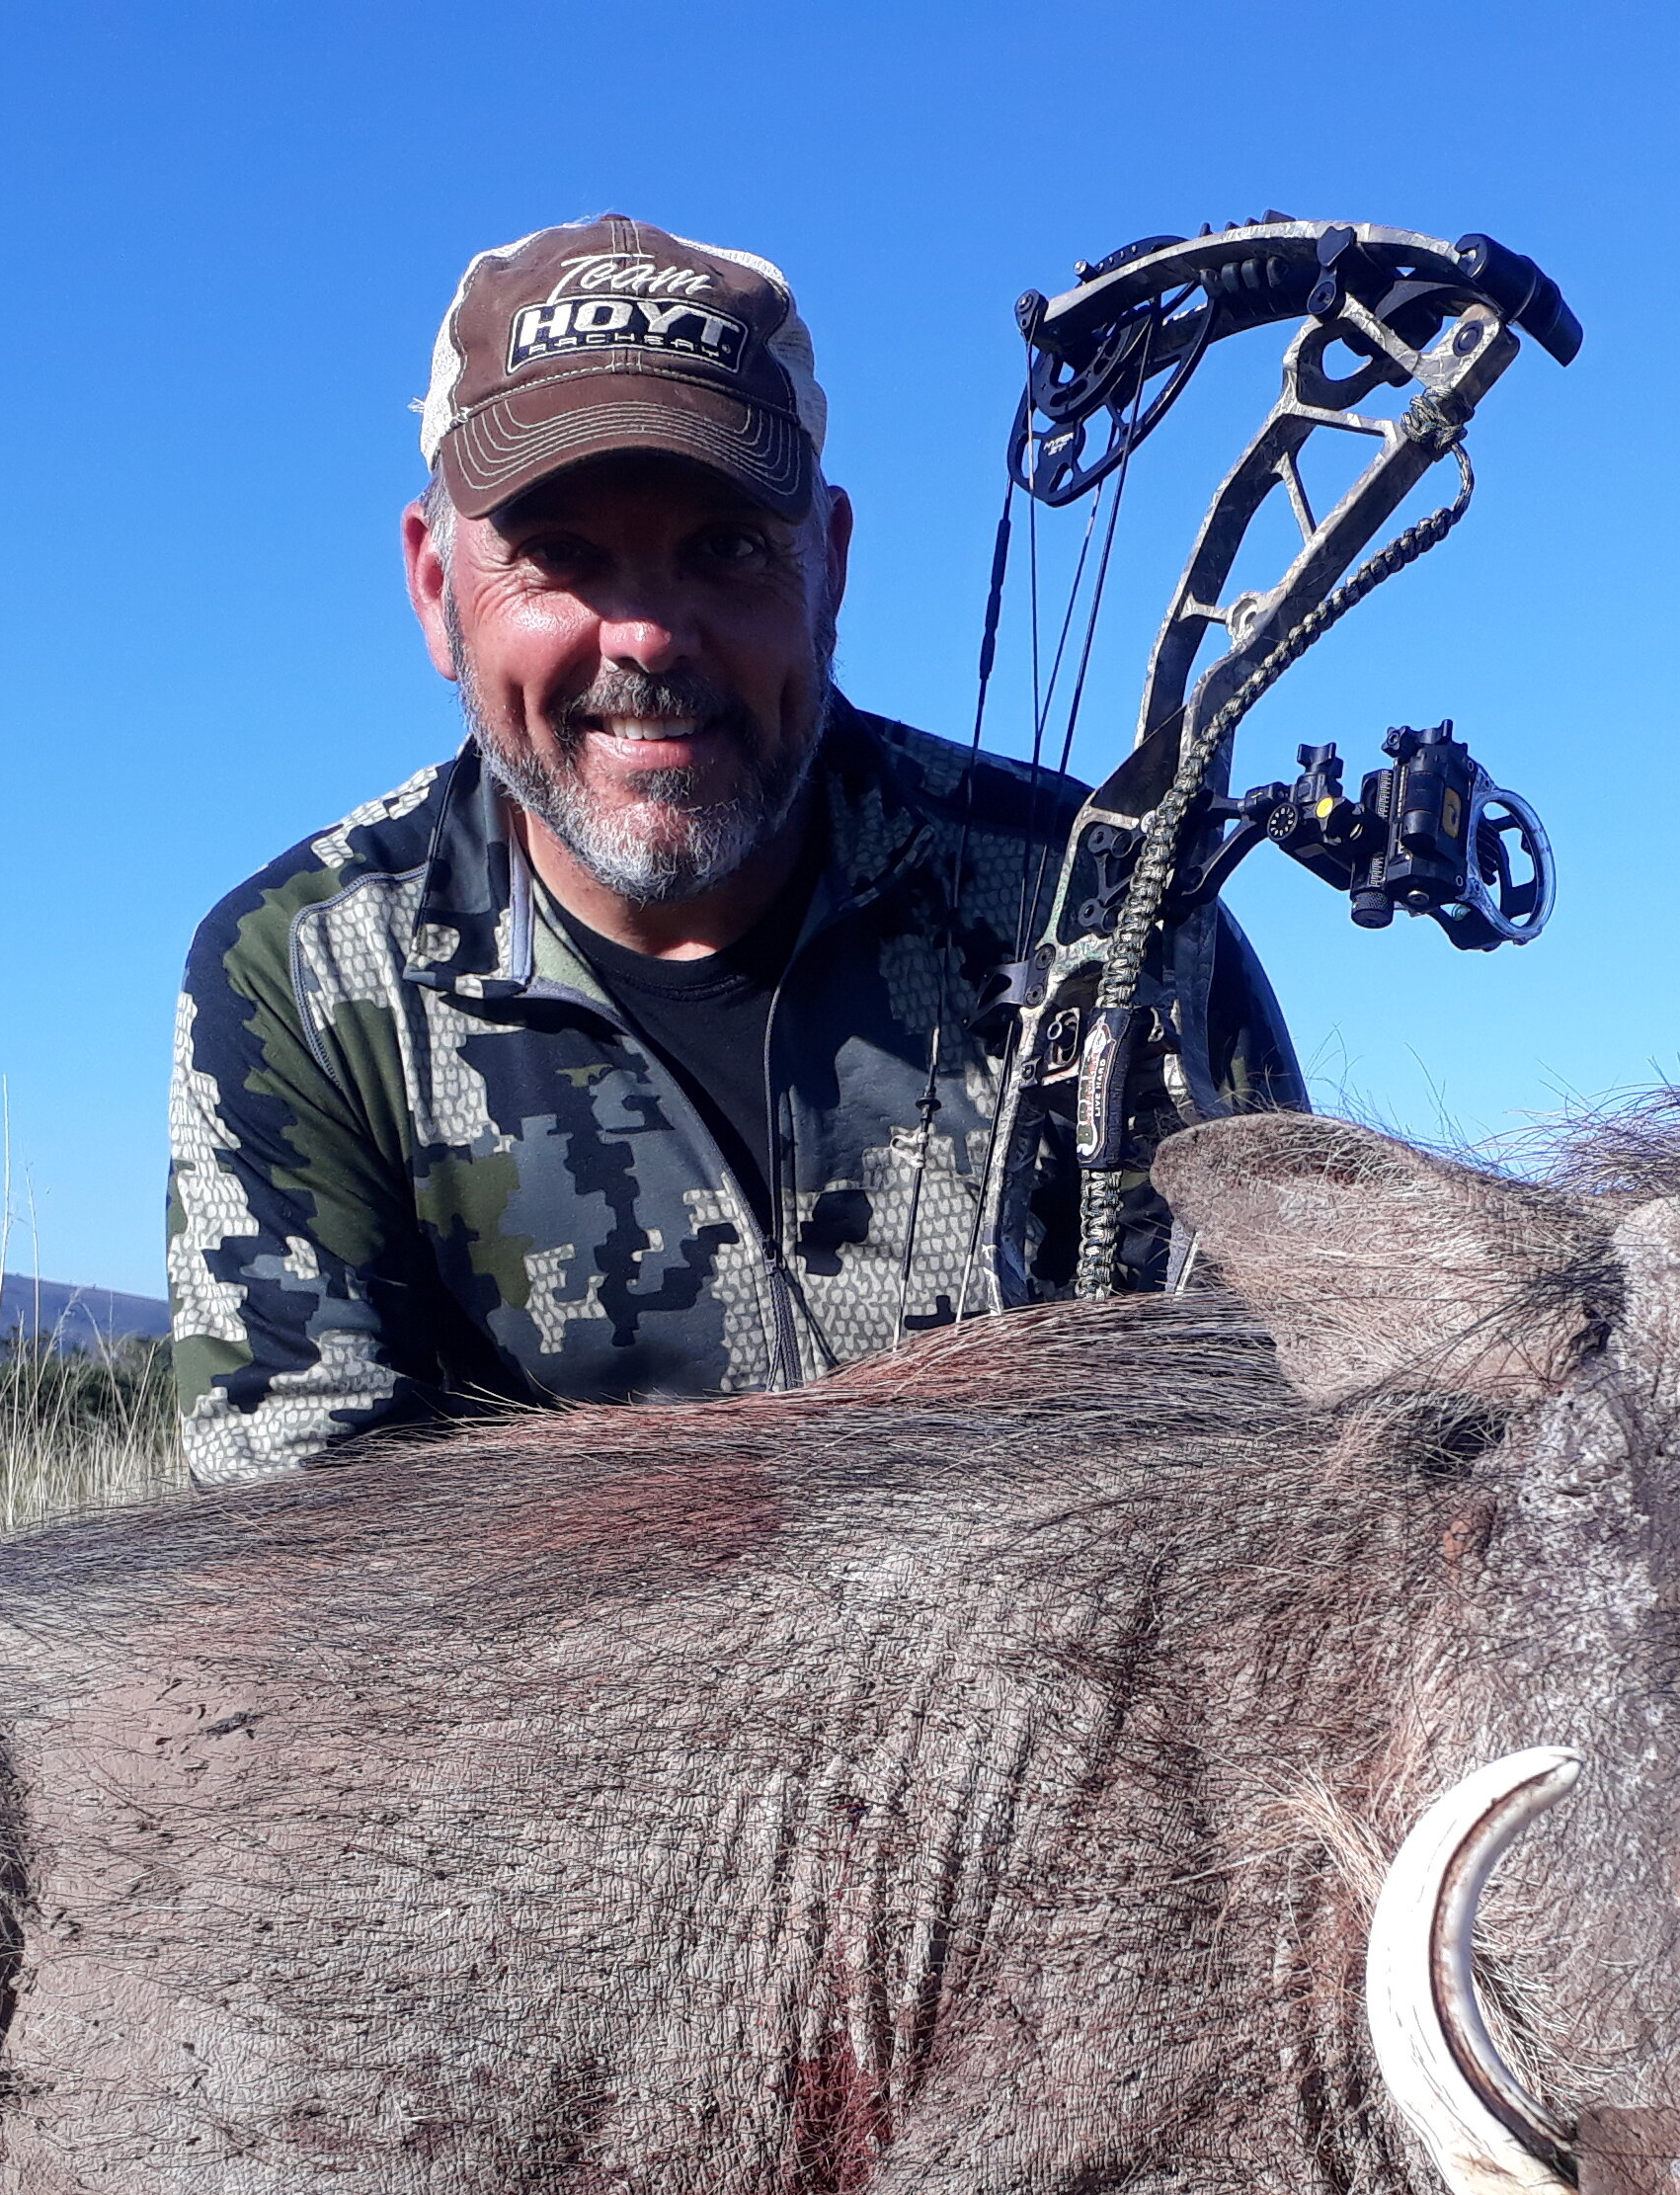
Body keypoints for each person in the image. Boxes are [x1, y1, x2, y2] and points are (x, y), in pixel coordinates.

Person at [167, 213, 1305, 1483]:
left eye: (727, 547)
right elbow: (298, 1554)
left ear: (830, 563)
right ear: (437, 588)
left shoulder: (1105, 898)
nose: (649, 636)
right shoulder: (307, 976)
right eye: (561, 558)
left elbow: (1265, 1441)